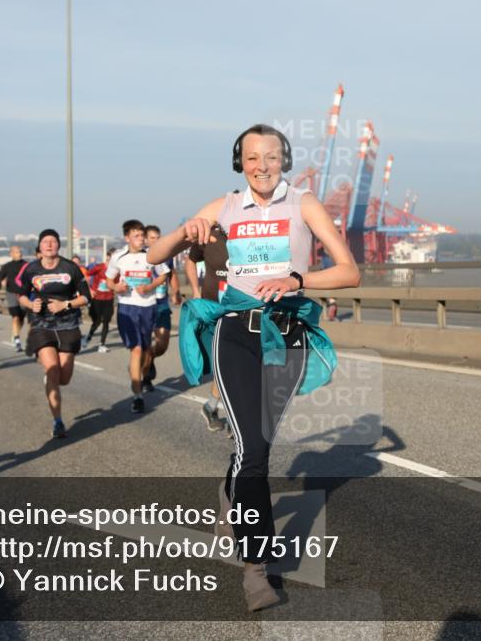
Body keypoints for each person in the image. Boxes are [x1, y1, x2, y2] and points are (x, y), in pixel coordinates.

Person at [148, 123, 360, 612]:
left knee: (254, 444)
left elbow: (349, 271)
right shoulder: (224, 206)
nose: (262, 166)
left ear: (284, 160)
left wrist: (297, 279)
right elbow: (156, 255)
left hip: (285, 335)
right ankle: (255, 569)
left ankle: (231, 489)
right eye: (251, 158)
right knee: (255, 449)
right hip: (236, 334)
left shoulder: (304, 203)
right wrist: (184, 231)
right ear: (238, 163)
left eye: (271, 157)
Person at [17, 229, 91, 438]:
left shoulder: (70, 268)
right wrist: (31, 304)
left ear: (58, 245)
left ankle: (52, 380)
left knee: (64, 378)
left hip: (68, 325)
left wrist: (65, 304)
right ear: (40, 246)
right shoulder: (31, 269)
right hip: (42, 326)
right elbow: (21, 296)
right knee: (52, 370)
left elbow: (86, 296)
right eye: (45, 242)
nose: (49, 244)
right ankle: (58, 421)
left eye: (53, 241)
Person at [105, 220, 170, 412]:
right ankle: (137, 396)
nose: (141, 239)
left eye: (142, 235)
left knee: (145, 351)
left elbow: (163, 275)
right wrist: (116, 287)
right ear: (127, 238)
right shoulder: (118, 256)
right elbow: (109, 280)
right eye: (136, 236)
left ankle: (142, 374)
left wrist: (150, 286)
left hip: (148, 307)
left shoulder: (152, 255)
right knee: (136, 349)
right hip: (127, 307)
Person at [186, 222, 230, 432]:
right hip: (214, 308)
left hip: (244, 306)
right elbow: (190, 261)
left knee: (231, 363)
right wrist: (195, 290)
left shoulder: (249, 234)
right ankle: (232, 419)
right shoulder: (210, 236)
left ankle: (212, 407)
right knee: (229, 362)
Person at [144, 225, 180, 388]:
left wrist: (176, 292)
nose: (156, 241)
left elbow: (172, 275)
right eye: (152, 238)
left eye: (158, 238)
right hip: (144, 304)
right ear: (146, 240)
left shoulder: (166, 255)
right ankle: (145, 378)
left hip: (162, 304)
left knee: (162, 345)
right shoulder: (141, 256)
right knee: (144, 344)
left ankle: (150, 357)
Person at [83, 248, 116, 353]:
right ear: (108, 257)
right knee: (96, 321)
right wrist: (90, 289)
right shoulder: (99, 267)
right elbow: (86, 275)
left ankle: (102, 344)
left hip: (109, 298)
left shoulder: (117, 270)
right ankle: (88, 337)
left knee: (106, 321)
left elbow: (118, 282)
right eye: (112, 257)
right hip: (97, 298)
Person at [0, 246, 30, 352]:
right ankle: (17, 341)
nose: (19, 254)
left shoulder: (26, 265)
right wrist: (2, 282)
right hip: (11, 293)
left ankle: (15, 333)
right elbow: (0, 278)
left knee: (21, 318)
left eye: (20, 252)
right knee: (15, 317)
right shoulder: (7, 266)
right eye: (17, 252)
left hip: (24, 294)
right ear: (11, 254)